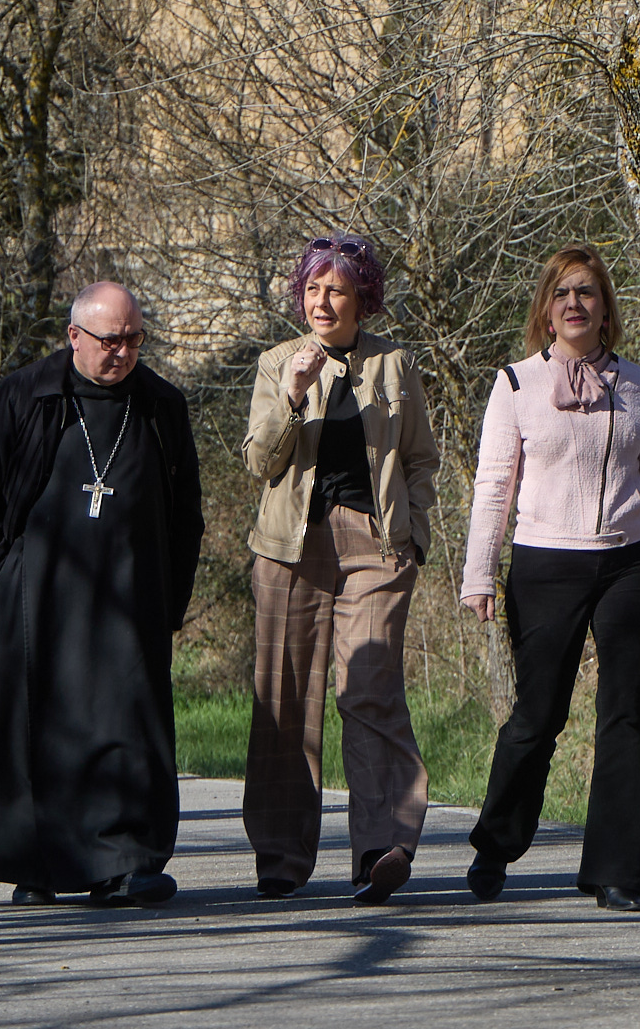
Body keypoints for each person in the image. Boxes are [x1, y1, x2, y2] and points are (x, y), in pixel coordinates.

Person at [461, 245, 640, 912]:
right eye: (563, 293)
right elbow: (493, 488)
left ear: (606, 308)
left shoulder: (639, 385)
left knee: (626, 717)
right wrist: (479, 574)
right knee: (538, 716)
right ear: (546, 308)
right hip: (545, 563)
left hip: (631, 559)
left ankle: (616, 871)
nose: (575, 304)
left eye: (588, 293)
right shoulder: (514, 385)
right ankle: (496, 842)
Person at [0, 282, 203, 909]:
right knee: (40, 736)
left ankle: (127, 862)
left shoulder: (161, 406)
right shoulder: (25, 395)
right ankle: (37, 866)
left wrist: (168, 601)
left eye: (134, 340)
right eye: (110, 340)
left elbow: (185, 513)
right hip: (37, 604)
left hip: (129, 601)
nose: (123, 353)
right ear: (74, 337)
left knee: (126, 729)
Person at [242, 234, 439, 903]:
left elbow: (419, 457)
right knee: (285, 697)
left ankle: (381, 848)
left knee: (369, 688)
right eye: (313, 289)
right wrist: (294, 397)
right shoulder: (276, 363)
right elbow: (260, 463)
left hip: (375, 547)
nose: (322, 302)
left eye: (337, 291)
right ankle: (279, 855)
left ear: (362, 300)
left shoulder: (395, 364)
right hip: (289, 545)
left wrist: (414, 532)